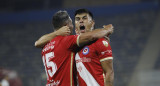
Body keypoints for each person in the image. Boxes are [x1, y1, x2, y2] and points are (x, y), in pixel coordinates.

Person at [35, 10, 113, 86]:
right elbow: (91, 36)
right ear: (66, 26)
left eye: (84, 18)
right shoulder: (67, 42)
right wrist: (106, 30)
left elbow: (37, 43)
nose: (73, 26)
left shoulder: (45, 46)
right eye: (72, 23)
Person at [74, 9, 114, 86]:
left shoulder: (100, 42)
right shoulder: (73, 47)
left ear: (92, 23)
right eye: (78, 19)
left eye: (84, 18)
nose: (81, 21)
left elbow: (109, 72)